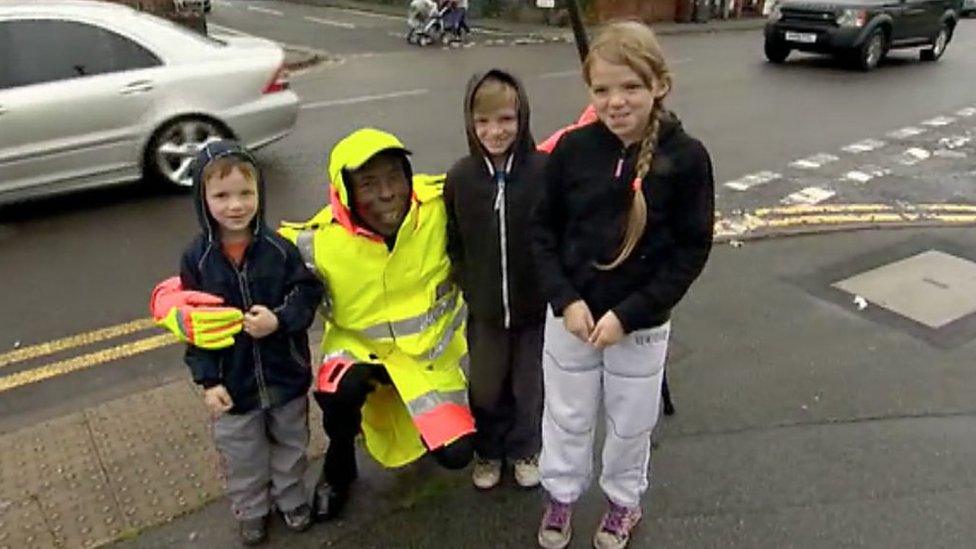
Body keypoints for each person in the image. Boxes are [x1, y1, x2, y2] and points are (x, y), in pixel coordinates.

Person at [151, 128, 476, 524]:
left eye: (395, 177)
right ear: (344, 191)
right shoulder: (313, 241)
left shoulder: (441, 204)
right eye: (368, 184)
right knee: (339, 391)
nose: (388, 193)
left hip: (427, 362)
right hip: (361, 353)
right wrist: (166, 301)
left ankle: (430, 427)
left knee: (458, 455)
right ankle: (339, 466)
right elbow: (244, 260)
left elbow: (517, 172)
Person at [531, 21, 715, 549]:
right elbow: (542, 231)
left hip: (639, 324)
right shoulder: (571, 150)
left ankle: (622, 504)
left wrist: (628, 315)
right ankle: (561, 495)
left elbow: (690, 250)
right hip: (572, 317)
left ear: (659, 85)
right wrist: (564, 300)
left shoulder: (687, 158)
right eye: (602, 89)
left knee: (630, 424)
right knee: (566, 416)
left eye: (630, 86)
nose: (616, 101)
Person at [176, 141, 324, 546]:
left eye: (246, 193)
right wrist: (209, 382)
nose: (236, 205)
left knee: (292, 445)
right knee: (243, 455)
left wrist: (278, 319)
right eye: (221, 195)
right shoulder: (197, 261)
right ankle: (251, 509)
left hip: (285, 375)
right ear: (203, 200)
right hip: (233, 384)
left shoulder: (279, 249)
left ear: (260, 193)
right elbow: (195, 326)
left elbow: (307, 294)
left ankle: (291, 498)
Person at [444, 70, 547, 491]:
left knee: (530, 387)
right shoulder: (461, 178)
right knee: (485, 388)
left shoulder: (544, 171)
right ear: (470, 122)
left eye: (506, 119)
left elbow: (557, 235)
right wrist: (471, 286)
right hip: (485, 311)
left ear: (522, 117)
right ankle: (489, 450)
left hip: (536, 309)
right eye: (483, 121)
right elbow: (454, 242)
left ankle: (525, 449)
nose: (495, 131)